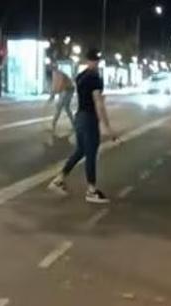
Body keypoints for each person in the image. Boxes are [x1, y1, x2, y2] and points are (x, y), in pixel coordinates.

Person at [48, 49, 118, 204]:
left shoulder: (80, 76)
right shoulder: (95, 78)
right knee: (91, 153)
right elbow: (98, 102)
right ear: (95, 61)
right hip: (89, 118)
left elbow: (83, 96)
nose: (97, 63)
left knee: (80, 151)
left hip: (80, 116)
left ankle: (59, 179)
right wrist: (107, 127)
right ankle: (91, 190)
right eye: (97, 61)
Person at [48, 66, 76, 135]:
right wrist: (53, 94)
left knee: (59, 107)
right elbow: (55, 85)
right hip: (66, 90)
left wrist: (53, 94)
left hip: (68, 90)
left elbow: (58, 85)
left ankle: (53, 124)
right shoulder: (56, 73)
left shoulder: (58, 74)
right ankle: (74, 124)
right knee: (66, 108)